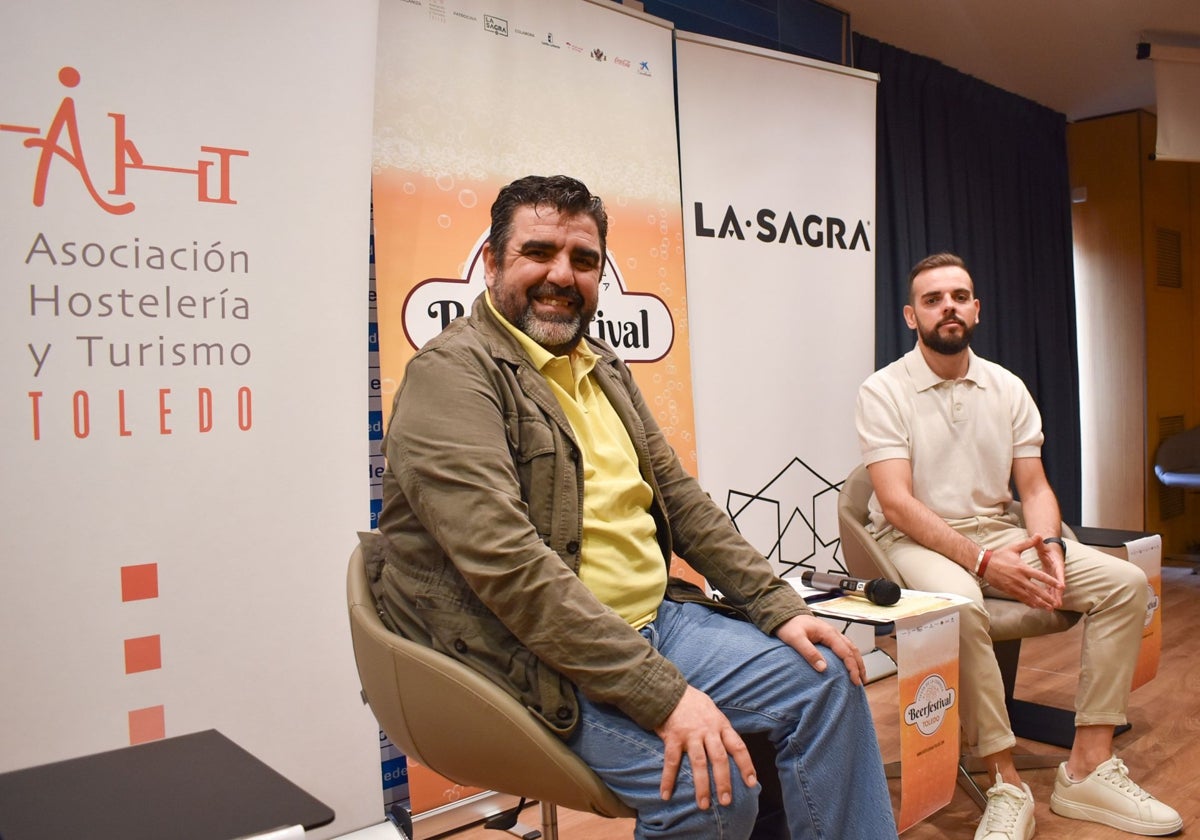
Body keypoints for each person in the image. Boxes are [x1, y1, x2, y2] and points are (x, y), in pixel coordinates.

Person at [365, 174, 897, 838]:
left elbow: (682, 501)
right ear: (493, 263)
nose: (562, 274)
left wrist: (777, 606)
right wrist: (664, 696)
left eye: (584, 261)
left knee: (830, 683)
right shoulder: (451, 377)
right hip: (529, 656)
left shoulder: (602, 366)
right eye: (539, 252)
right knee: (712, 789)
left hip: (657, 624)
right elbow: (509, 570)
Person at [855, 252, 1182, 840]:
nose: (947, 307)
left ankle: (1087, 766)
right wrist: (982, 563)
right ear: (911, 316)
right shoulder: (884, 389)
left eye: (959, 296)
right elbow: (898, 503)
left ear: (976, 309)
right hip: (909, 538)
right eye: (932, 300)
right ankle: (1006, 781)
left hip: (996, 528)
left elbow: (1032, 487)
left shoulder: (1007, 386)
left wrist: (1050, 542)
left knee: (1124, 584)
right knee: (961, 603)